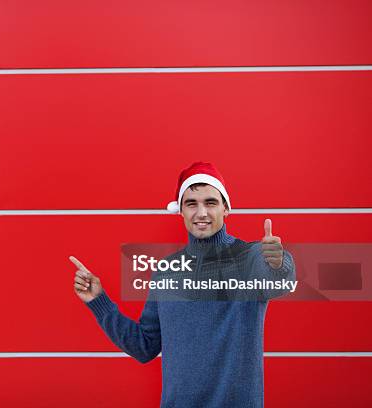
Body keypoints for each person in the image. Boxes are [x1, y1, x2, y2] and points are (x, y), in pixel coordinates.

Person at [71, 161, 296, 408]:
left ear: (226, 209)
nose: (201, 213)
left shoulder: (250, 257)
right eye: (191, 204)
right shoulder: (166, 272)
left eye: (210, 202)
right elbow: (144, 346)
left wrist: (278, 263)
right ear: (180, 211)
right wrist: (98, 301)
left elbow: (279, 281)